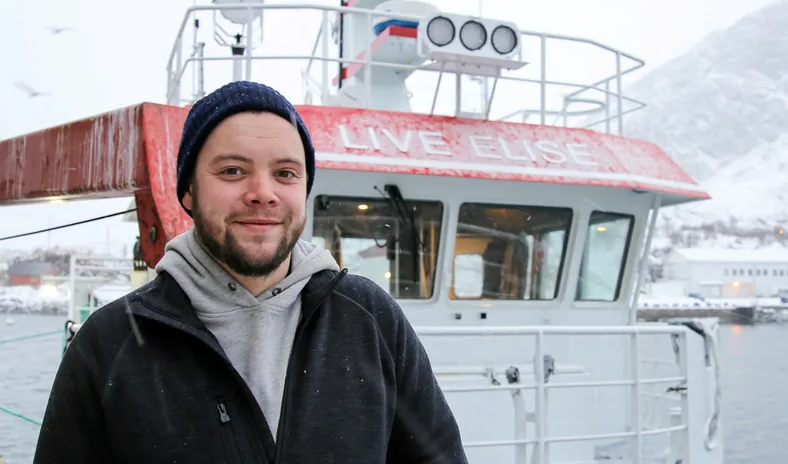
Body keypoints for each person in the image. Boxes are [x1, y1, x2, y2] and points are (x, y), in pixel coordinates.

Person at [33, 81, 468, 463]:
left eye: (284, 173)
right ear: (188, 190)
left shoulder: (370, 319)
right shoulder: (109, 346)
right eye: (233, 170)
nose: (263, 193)